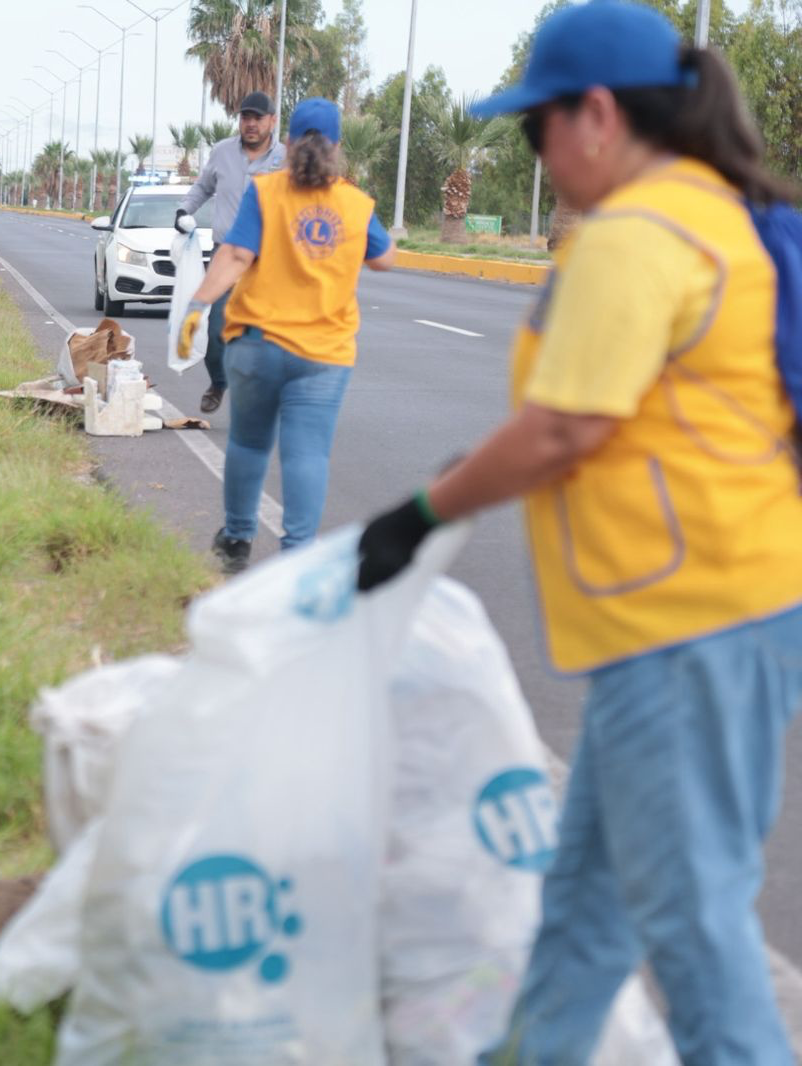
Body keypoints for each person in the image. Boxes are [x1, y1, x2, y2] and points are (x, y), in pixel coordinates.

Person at [353, 5, 802, 1062]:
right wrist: (454, 477)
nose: (536, 157)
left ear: (594, 114)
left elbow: (566, 425)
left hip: (691, 625)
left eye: (534, 129)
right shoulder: (707, 210)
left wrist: (423, 513)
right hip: (703, 617)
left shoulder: (639, 234)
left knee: (692, 927)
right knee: (587, 913)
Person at [177, 98, 394, 575]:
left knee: (250, 445)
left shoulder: (266, 191)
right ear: (337, 148)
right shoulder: (355, 204)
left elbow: (235, 256)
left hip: (258, 345)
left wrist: (199, 304)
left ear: (289, 142)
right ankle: (296, 557)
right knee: (306, 453)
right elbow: (384, 258)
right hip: (323, 354)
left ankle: (236, 539)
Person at [177, 90, 288, 415]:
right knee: (216, 331)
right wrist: (184, 209)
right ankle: (219, 381)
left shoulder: (285, 159)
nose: (251, 124)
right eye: (245, 117)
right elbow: (203, 187)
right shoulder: (222, 152)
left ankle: (263, 395)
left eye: (258, 118)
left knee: (265, 332)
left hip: (268, 260)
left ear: (272, 121)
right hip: (226, 254)